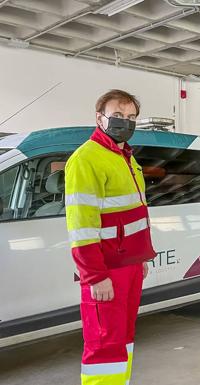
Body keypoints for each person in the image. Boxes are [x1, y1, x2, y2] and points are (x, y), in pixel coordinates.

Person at [65, 90, 156, 385]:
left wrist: (139, 257)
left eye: (131, 118)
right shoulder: (86, 159)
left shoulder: (125, 157)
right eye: (118, 116)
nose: (125, 122)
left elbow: (134, 215)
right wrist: (94, 275)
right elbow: (82, 227)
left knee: (123, 339)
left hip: (128, 266)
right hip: (106, 271)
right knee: (104, 345)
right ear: (99, 117)